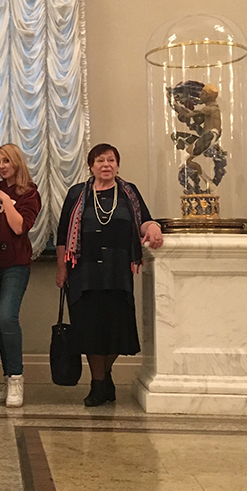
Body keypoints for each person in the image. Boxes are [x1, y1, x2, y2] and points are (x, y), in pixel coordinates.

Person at [56, 143, 163, 407]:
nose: (106, 165)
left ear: (117, 164)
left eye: (111, 160)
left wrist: (154, 227)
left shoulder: (129, 193)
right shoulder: (76, 194)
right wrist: (62, 269)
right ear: (91, 166)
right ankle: (99, 384)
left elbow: (143, 221)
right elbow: (62, 236)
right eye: (100, 160)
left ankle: (104, 376)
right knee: (90, 331)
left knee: (116, 330)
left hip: (117, 272)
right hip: (83, 273)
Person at [0, 143, 41, 408]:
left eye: (6, 161)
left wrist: (6, 200)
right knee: (0, 322)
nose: (1, 166)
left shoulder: (29, 193)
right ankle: (8, 378)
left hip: (16, 265)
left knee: (8, 316)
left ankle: (17, 379)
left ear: (16, 161)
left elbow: (19, 227)